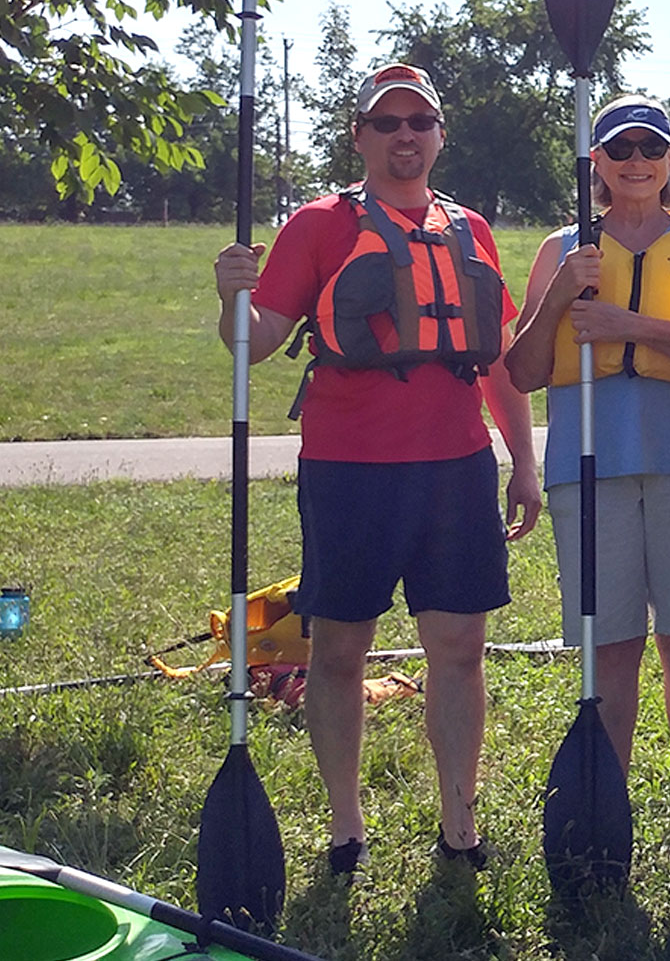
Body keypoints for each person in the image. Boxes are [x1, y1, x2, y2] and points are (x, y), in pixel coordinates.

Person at [212, 62, 539, 874]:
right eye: (386, 122)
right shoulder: (320, 222)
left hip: (456, 466)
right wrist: (230, 298)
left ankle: (459, 823)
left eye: (418, 122)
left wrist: (521, 460)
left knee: (460, 648)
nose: (404, 135)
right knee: (339, 650)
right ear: (359, 135)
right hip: (349, 466)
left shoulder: (469, 228)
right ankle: (345, 825)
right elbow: (253, 338)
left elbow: (495, 356)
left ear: (437, 135)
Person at [501, 94, 670, 860]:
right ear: (595, 161)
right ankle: (607, 811)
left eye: (650, 147)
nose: (635, 159)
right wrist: (562, 294)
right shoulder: (562, 249)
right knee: (612, 647)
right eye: (619, 147)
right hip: (586, 470)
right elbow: (525, 369)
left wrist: (633, 327)